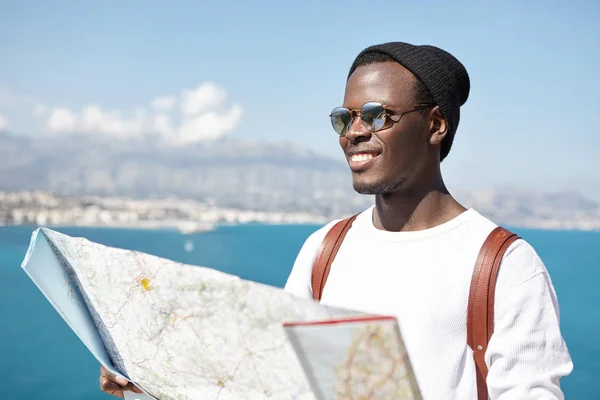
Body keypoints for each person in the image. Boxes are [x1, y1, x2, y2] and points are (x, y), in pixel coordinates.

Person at [100, 41, 573, 399]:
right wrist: (152, 381)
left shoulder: (503, 265)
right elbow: (271, 379)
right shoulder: (326, 248)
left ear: (435, 125)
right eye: (344, 118)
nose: (355, 132)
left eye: (376, 115)